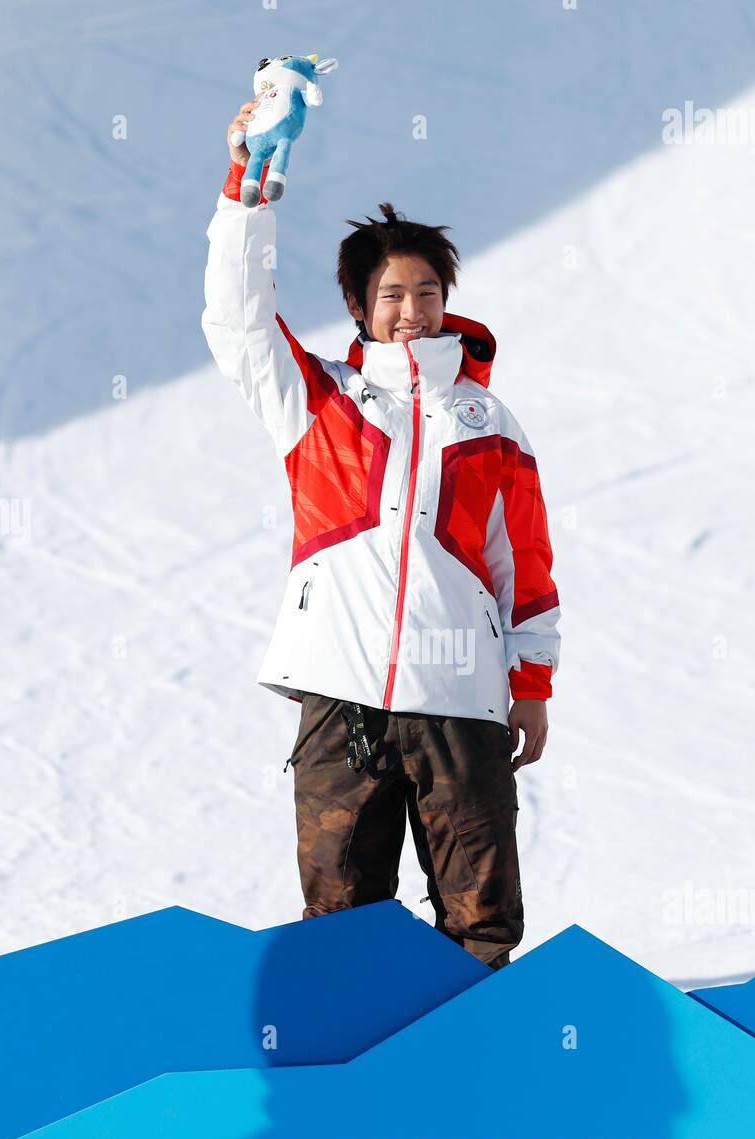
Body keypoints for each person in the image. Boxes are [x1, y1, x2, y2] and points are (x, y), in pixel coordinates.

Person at [201, 95, 561, 969]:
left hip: (460, 699)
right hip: (340, 694)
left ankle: (476, 1064)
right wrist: (250, 185)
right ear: (360, 304)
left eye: (428, 292)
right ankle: (347, 1078)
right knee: (342, 915)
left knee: (480, 918)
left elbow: (524, 564)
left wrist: (532, 684)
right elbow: (237, 316)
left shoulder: (488, 419)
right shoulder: (316, 399)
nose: (413, 309)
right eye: (392, 293)